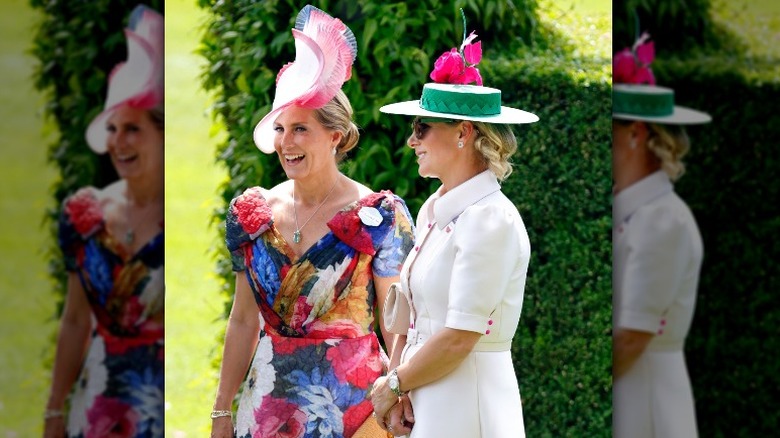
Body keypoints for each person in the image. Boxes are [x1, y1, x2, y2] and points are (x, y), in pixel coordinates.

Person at [210, 5, 414, 438]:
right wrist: (221, 410)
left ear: (335, 136)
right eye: (281, 129)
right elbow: (243, 320)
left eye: (300, 129)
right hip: (265, 412)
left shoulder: (380, 215)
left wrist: (398, 394)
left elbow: (399, 321)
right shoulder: (253, 215)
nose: (286, 142)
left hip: (356, 416)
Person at [369, 13, 539, 438]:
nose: (412, 140)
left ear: (463, 133)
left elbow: (461, 338)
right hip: (427, 396)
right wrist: (400, 389)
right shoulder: (434, 209)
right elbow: (413, 318)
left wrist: (393, 385)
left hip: (469, 403)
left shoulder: (490, 220)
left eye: (422, 128)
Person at [43, 5, 164, 438]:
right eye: (112, 129)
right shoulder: (87, 214)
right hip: (95, 407)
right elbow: (75, 319)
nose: (118, 143)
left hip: (158, 410)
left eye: (133, 130)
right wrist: (54, 410)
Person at [611, 34, 711, 438]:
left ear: (635, 134)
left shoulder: (661, 219)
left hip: (644, 398)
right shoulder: (635, 211)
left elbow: (633, 338)